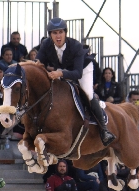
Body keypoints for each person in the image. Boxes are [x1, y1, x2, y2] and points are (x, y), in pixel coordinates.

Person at [36, 18, 115, 146]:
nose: (58, 36)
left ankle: (104, 131)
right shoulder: (46, 44)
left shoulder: (76, 46)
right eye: (54, 33)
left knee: (88, 94)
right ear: (50, 35)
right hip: (62, 69)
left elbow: (77, 73)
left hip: (83, 69)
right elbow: (38, 63)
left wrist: (60, 73)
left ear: (65, 33)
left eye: (60, 32)